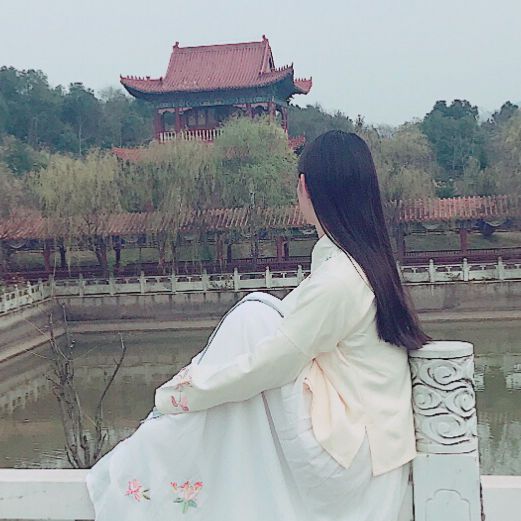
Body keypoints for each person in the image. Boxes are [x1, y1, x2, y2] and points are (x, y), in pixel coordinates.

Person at [86, 130, 432, 521]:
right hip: (368, 453)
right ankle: (164, 441)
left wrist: (185, 393)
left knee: (252, 319)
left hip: (348, 462)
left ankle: (153, 448)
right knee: (258, 324)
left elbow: (274, 362)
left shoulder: (340, 278)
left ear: (304, 188)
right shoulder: (367, 266)